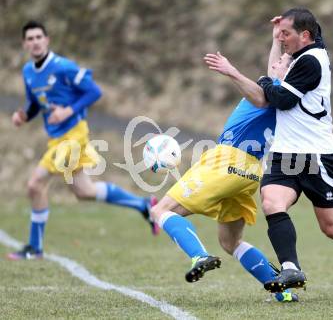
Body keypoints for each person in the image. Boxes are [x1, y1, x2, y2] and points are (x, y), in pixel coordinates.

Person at [204, 7, 333, 295]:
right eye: (280, 34)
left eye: (286, 34)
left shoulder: (311, 62)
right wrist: (277, 39)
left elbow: (281, 99)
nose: (281, 38)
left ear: (305, 35)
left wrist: (265, 80)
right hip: (284, 154)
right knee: (272, 203)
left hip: (317, 157)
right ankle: (290, 268)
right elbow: (276, 73)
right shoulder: (305, 48)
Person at [150, 53, 299, 302]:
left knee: (161, 211)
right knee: (231, 242)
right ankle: (281, 291)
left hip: (227, 159)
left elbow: (263, 93)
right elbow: (272, 75)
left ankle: (199, 256)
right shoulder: (284, 97)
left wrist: (230, 70)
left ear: (289, 72)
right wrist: (276, 37)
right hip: (251, 171)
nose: (274, 61)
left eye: (281, 61)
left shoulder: (270, 91)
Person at [7, 20, 159, 260]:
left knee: (35, 184)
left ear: (47, 40)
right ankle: (145, 205)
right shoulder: (28, 72)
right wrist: (23, 115)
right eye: (30, 38)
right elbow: (36, 103)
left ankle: (35, 248)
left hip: (74, 136)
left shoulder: (63, 67)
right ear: (24, 44)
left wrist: (67, 112)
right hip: (57, 139)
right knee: (84, 191)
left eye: (39, 37)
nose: (35, 42)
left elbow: (94, 91)